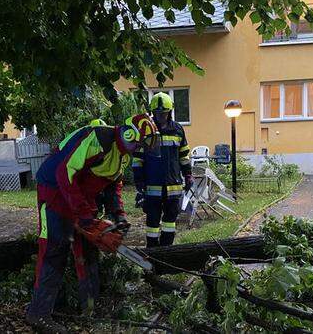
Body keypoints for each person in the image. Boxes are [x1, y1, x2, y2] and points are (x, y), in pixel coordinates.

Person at [25, 113, 158, 331]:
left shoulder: (123, 155)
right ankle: (38, 313)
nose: (139, 149)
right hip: (55, 191)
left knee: (88, 248)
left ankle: (88, 304)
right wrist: (81, 213)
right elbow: (65, 172)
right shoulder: (99, 139)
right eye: (138, 143)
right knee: (54, 248)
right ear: (129, 135)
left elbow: (112, 185)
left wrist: (118, 214)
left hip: (81, 194)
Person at [133, 92, 192, 247]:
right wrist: (139, 181)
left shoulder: (178, 130)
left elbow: (184, 155)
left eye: (164, 113)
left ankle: (167, 251)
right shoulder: (145, 131)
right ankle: (152, 253)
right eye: (158, 114)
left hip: (173, 186)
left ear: (170, 112)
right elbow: (138, 158)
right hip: (152, 187)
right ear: (153, 113)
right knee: (152, 223)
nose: (161, 117)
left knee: (170, 222)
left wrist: (188, 175)